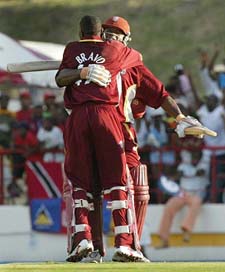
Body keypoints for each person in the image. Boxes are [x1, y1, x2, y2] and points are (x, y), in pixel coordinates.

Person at [63, 16, 205, 263]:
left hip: (120, 129)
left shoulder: (130, 58)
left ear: (126, 40)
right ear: (100, 35)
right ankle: (94, 247)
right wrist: (80, 71)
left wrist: (180, 117)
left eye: (117, 33)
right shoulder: (103, 54)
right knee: (91, 186)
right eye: (108, 32)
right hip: (96, 124)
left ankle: (130, 243)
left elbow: (158, 94)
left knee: (132, 185)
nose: (112, 36)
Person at [55, 15, 146, 263]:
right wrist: (84, 71)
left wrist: (78, 71)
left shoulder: (73, 49)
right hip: (107, 117)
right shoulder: (115, 49)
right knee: (116, 181)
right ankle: (124, 243)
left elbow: (60, 78)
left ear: (80, 30)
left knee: (80, 182)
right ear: (102, 33)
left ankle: (83, 238)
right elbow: (137, 58)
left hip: (79, 117)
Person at [156, 150, 210, 248]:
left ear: (200, 155)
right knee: (169, 206)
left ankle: (186, 230)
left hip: (196, 193)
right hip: (182, 194)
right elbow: (178, 173)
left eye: (196, 156)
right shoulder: (184, 164)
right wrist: (175, 176)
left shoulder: (204, 163)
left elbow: (201, 172)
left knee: (196, 202)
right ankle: (164, 239)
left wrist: (188, 173)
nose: (194, 158)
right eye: (193, 156)